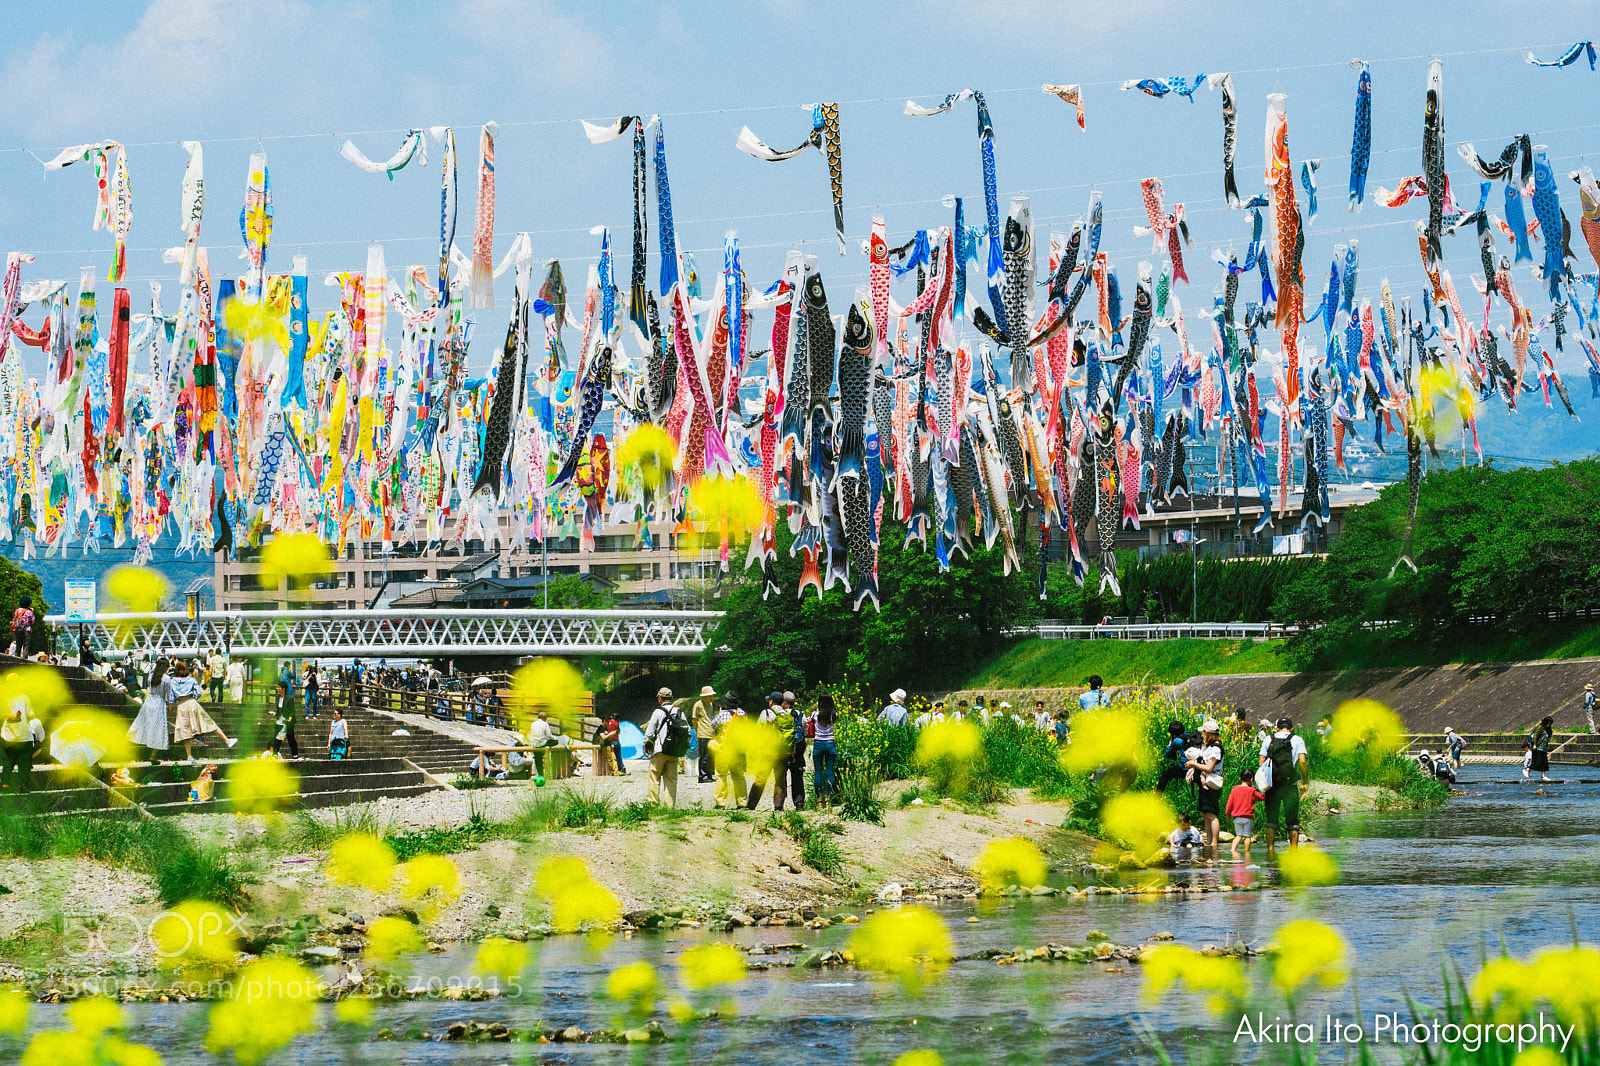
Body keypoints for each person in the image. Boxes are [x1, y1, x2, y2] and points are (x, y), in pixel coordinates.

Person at [168, 660, 237, 762]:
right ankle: (226, 740)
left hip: (181, 705)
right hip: (191, 702)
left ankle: (189, 756)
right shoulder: (191, 679)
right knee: (207, 721)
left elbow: (171, 697)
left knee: (186, 731)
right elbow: (199, 691)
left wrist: (171, 707)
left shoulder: (172, 681)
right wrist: (194, 698)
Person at [1258, 716, 1308, 853]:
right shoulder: (1297, 739)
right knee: (1292, 821)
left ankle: (1270, 852)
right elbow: (1302, 762)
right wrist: (1305, 782)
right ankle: (1293, 852)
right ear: (1291, 729)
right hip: (1290, 784)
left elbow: (1261, 762)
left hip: (1272, 785)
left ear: (1277, 728)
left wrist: (1264, 781)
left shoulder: (1269, 738)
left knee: (1271, 820)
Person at [642, 687, 689, 807]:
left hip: (659, 750)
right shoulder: (679, 712)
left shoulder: (658, 712)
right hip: (674, 751)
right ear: (672, 698)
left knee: (654, 776)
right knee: (671, 780)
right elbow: (687, 731)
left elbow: (650, 732)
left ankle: (653, 804)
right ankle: (670, 806)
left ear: (659, 698)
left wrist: (645, 745)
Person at [1185, 719, 1225, 852]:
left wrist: (1193, 764)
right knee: (1205, 813)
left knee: (1211, 813)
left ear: (1208, 733)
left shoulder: (1215, 749)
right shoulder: (1206, 747)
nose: (1202, 734)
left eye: (1204, 732)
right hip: (1204, 782)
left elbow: (1208, 768)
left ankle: (1214, 842)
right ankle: (1208, 841)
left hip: (1211, 783)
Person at [747, 693, 788, 810]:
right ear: (782, 703)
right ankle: (779, 806)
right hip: (782, 752)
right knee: (780, 779)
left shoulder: (766, 713)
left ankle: (751, 805)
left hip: (768, 751)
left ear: (771, 702)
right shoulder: (787, 714)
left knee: (761, 777)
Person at [128, 657, 172, 763]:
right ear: (165, 667)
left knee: (143, 725)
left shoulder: (151, 676)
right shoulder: (166, 678)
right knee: (158, 728)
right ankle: (152, 755)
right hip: (159, 703)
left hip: (149, 701)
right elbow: (169, 695)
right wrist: (171, 707)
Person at [711, 692, 749, 809]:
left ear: (726, 704)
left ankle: (721, 803)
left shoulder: (722, 714)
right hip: (738, 749)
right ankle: (742, 802)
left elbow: (712, 725)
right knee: (738, 776)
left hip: (724, 749)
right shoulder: (743, 714)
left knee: (721, 775)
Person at [1226, 770, 1264, 858]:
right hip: (1248, 817)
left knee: (1238, 835)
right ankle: (1247, 853)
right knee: (1247, 836)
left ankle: (1233, 851)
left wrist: (1228, 814)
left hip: (1236, 817)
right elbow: (1261, 798)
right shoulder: (1252, 791)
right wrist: (1266, 792)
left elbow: (1229, 804)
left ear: (1240, 778)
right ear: (1251, 779)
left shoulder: (1235, 789)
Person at [1, 697, 36, 791]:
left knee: (8, 762)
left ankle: (5, 784)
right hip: (24, 736)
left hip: (8, 736)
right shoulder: (24, 698)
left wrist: (8, 715)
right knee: (24, 763)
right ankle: (22, 785)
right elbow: (31, 715)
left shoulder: (5, 695)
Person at [811, 692, 839, 806]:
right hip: (830, 744)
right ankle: (828, 799)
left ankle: (819, 800)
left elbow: (810, 722)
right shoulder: (835, 714)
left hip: (818, 744)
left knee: (818, 773)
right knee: (829, 773)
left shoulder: (815, 714)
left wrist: (818, 708)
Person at [692, 685, 717, 783]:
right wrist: (697, 731)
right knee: (704, 756)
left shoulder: (710, 705)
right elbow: (694, 719)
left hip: (711, 733)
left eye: (712, 696)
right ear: (704, 696)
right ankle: (702, 776)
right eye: (710, 696)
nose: (711, 698)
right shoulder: (698, 705)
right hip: (703, 733)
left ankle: (709, 774)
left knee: (711, 755)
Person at [1523, 716, 1555, 783]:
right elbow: (1536, 736)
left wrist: (1551, 733)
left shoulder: (1547, 729)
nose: (1549, 725)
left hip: (1544, 748)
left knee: (1544, 763)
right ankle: (1527, 770)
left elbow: (1548, 739)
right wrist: (1534, 744)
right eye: (1549, 723)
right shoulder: (1540, 727)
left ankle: (1543, 776)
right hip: (1538, 747)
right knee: (1537, 761)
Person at [526, 709, 556, 777]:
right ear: (544, 717)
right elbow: (549, 735)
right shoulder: (545, 724)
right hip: (542, 743)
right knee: (555, 742)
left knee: (537, 759)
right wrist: (554, 738)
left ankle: (540, 774)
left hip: (534, 743)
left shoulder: (533, 724)